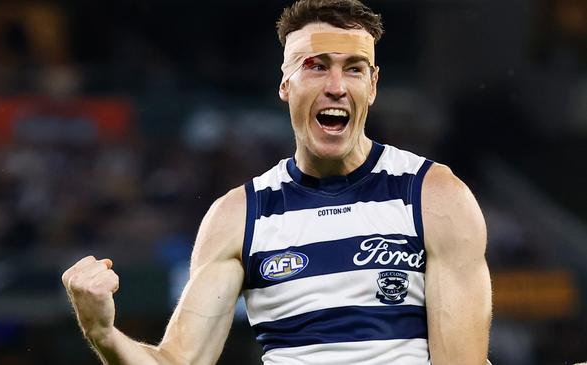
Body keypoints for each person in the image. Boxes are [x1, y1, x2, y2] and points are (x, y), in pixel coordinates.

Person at [61, 0, 492, 364]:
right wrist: (102, 331)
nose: (337, 87)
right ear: (286, 84)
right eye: (317, 67)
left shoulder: (434, 196)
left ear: (374, 85)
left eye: (355, 69)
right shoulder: (239, 216)